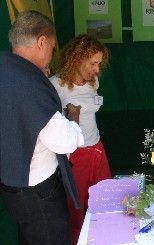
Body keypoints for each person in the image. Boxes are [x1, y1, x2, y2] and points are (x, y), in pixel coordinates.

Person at [0, 11, 84, 244]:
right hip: (39, 192)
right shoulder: (29, 84)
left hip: (11, 184)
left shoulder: (6, 67)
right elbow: (65, 141)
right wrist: (73, 118)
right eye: (52, 47)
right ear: (41, 42)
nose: (51, 55)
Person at [50, 34, 112, 244]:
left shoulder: (93, 81)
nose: (97, 69)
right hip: (74, 155)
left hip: (97, 148)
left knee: (106, 202)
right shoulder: (55, 86)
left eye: (99, 63)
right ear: (76, 59)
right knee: (76, 210)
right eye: (93, 63)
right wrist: (70, 116)